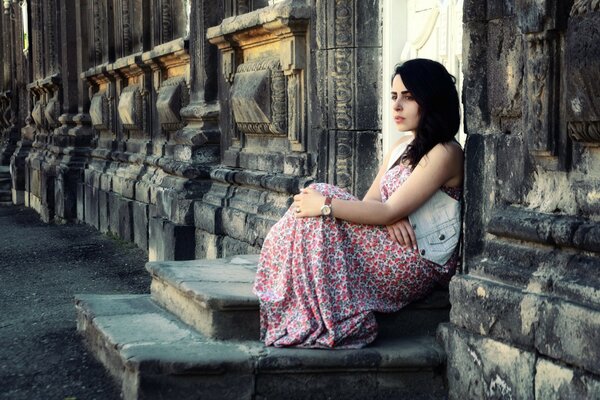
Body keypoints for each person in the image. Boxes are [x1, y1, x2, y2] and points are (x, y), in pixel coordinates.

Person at [253, 58, 464, 349]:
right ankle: (307, 312)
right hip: (390, 244)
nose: (397, 106)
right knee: (316, 208)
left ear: (431, 99)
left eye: (409, 97)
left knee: (322, 200)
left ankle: (323, 317)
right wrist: (389, 216)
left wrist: (327, 204)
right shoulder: (402, 147)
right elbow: (372, 202)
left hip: (417, 259)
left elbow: (385, 208)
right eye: (393, 97)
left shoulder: (446, 152)